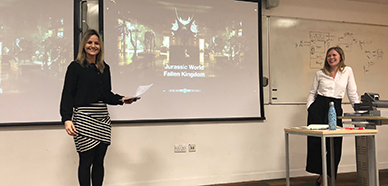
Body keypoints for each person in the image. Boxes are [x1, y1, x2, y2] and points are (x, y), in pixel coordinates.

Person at [60, 29, 136, 186]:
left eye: (96, 43)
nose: (93, 46)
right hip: (84, 118)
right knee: (86, 161)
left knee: (99, 161)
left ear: (100, 46)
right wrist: (67, 119)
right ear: (84, 45)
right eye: (89, 42)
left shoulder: (104, 68)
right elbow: (67, 94)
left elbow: (105, 95)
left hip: (102, 119)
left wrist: (121, 99)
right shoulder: (75, 67)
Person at [305, 46, 360, 186]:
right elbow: (312, 93)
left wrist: (358, 112)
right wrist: (310, 108)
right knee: (317, 143)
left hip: (335, 106)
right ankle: (322, 176)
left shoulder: (347, 71)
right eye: (329, 55)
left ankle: (326, 175)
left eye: (334, 55)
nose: (331, 58)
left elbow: (352, 93)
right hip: (318, 107)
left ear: (340, 57)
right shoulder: (320, 73)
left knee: (335, 143)